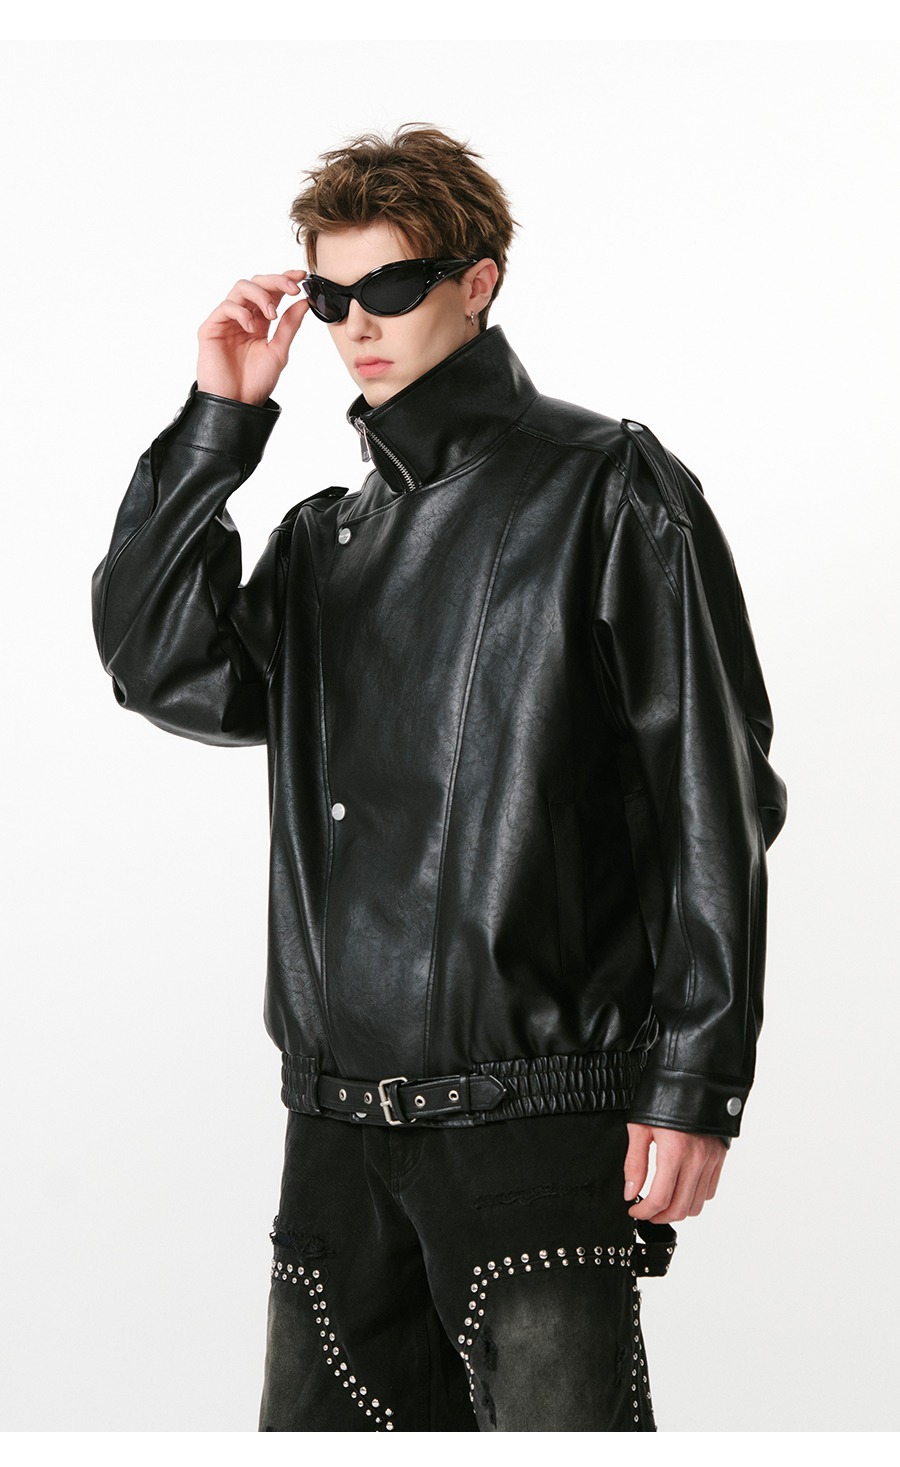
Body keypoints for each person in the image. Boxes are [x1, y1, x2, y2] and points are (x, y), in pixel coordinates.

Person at [91, 125, 787, 1432]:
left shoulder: (606, 488)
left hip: (532, 1125)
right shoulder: (326, 542)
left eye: (394, 287)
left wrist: (697, 1082)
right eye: (331, 295)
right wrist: (218, 423)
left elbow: (715, 796)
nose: (358, 324)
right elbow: (159, 667)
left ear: (478, 283)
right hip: (336, 1136)